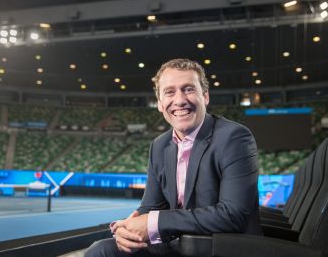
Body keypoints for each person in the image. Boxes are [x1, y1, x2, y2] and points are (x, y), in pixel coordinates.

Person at [85, 58, 261, 257]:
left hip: (221, 249)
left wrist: (154, 222)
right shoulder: (159, 145)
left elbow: (232, 215)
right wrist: (128, 230)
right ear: (160, 103)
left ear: (205, 96)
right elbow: (150, 207)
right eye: (169, 92)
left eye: (188, 89)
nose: (179, 100)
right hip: (178, 246)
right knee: (100, 251)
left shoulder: (234, 137)